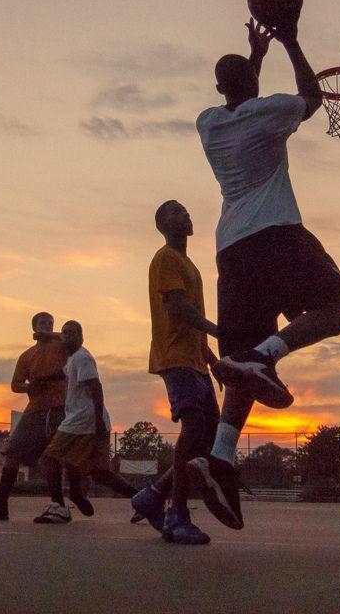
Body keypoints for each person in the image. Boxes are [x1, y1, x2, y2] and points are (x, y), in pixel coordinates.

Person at [188, 19, 340, 530]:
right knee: (337, 306)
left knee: (237, 366)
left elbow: (243, 95)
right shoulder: (272, 110)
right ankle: (267, 355)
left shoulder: (208, 123)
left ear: (219, 87)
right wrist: (289, 38)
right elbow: (312, 96)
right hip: (275, 233)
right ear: (253, 84)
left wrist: (252, 59)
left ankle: (219, 455)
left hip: (231, 251)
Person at [130, 200, 221, 545]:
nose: (184, 214)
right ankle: (176, 513)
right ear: (162, 225)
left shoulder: (191, 266)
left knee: (207, 436)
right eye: (174, 212)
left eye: (185, 209)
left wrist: (212, 359)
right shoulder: (165, 258)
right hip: (176, 357)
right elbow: (179, 308)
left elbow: (192, 319)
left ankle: (153, 496)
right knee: (195, 427)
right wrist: (217, 331)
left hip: (195, 359)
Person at [0, 312, 85, 521]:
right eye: (42, 323)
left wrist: (53, 336)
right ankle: (0, 504)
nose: (47, 326)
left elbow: (74, 341)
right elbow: (15, 384)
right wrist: (30, 386)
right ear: (34, 327)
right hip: (35, 409)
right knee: (12, 453)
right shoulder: (27, 356)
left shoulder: (62, 345)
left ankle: (60, 505)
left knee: (54, 456)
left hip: (60, 408)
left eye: (50, 323)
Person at [33, 320, 138, 524]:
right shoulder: (73, 360)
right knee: (99, 472)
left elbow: (96, 388)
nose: (68, 336)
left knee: (49, 458)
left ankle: (59, 507)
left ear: (82, 337)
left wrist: (97, 420)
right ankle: (145, 500)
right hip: (91, 421)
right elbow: (62, 373)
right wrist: (41, 378)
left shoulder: (83, 358)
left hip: (83, 420)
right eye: (65, 333)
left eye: (73, 333)